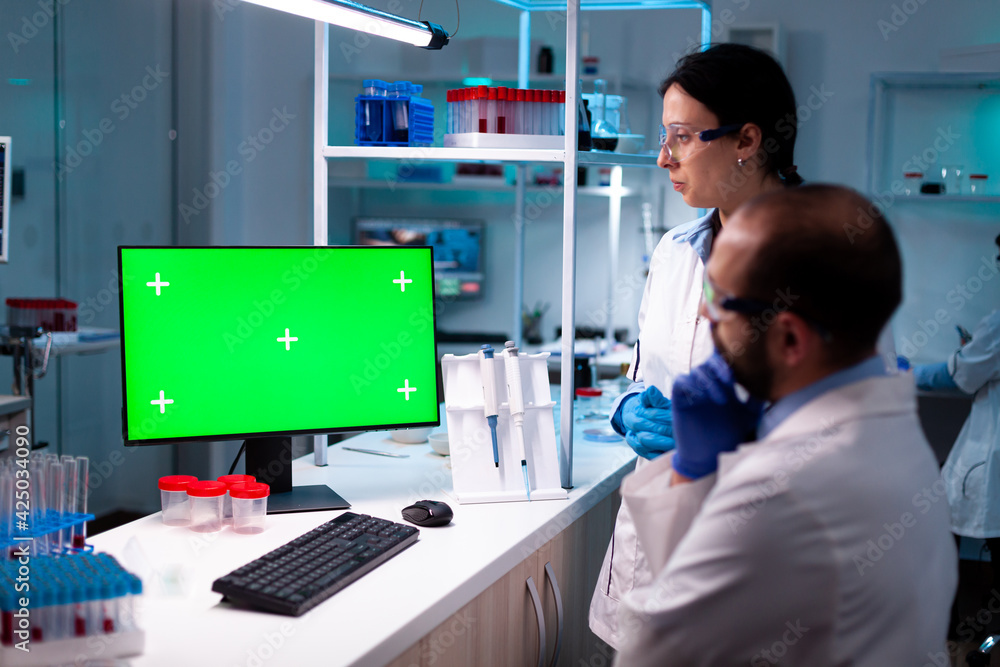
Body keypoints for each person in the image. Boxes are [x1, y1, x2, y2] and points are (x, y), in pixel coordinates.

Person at [613, 184, 957, 666]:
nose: (703, 312)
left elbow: (649, 654)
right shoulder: (892, 429)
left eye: (720, 299)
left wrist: (692, 472)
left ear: (790, 338)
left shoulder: (781, 489)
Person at [589, 43, 806, 648]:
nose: (663, 158)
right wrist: (628, 408)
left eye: (682, 137)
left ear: (746, 140)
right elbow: (644, 371)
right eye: (665, 136)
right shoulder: (674, 251)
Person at [913, 234, 1000, 642]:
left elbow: (962, 375)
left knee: (943, 533)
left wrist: (903, 374)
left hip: (991, 453)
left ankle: (952, 640)